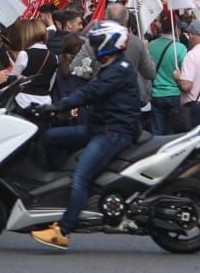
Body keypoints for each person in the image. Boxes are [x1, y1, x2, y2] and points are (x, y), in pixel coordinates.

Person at [30, 21, 141, 250]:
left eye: (97, 41)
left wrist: (57, 106)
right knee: (50, 137)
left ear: (109, 43)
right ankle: (61, 188)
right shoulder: (111, 65)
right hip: (97, 128)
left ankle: (63, 230)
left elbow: (91, 92)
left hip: (113, 133)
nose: (93, 45)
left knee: (81, 177)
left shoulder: (119, 69)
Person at [148, 16, 188, 135]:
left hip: (155, 94)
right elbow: (186, 72)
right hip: (175, 94)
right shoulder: (180, 48)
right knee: (173, 134)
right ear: (176, 29)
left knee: (157, 133)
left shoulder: (150, 45)